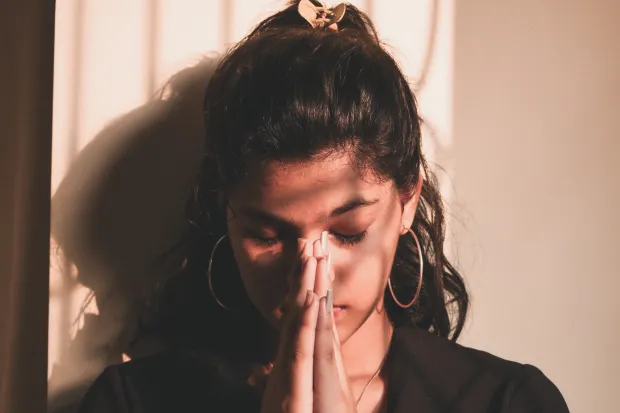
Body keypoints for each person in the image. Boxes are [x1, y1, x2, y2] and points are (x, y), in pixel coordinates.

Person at [78, 1, 570, 412]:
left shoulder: (506, 402)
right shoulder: (133, 402)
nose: (313, 274)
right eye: (267, 235)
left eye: (349, 231)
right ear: (226, 214)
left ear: (407, 202)